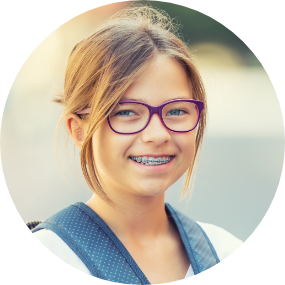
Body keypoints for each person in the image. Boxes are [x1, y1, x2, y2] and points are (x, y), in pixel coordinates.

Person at [31, 2, 243, 284]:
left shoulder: (223, 248)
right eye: (126, 112)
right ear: (79, 130)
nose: (158, 134)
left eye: (176, 111)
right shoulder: (57, 249)